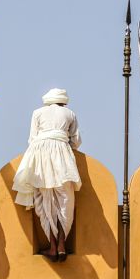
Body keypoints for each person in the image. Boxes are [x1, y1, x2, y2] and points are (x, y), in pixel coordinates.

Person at [12, 88, 82, 262]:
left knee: (45, 203)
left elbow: (32, 138)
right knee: (65, 202)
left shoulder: (37, 112)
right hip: (63, 158)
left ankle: (52, 246)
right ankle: (61, 245)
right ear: (63, 101)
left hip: (39, 156)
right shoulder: (70, 113)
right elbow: (76, 141)